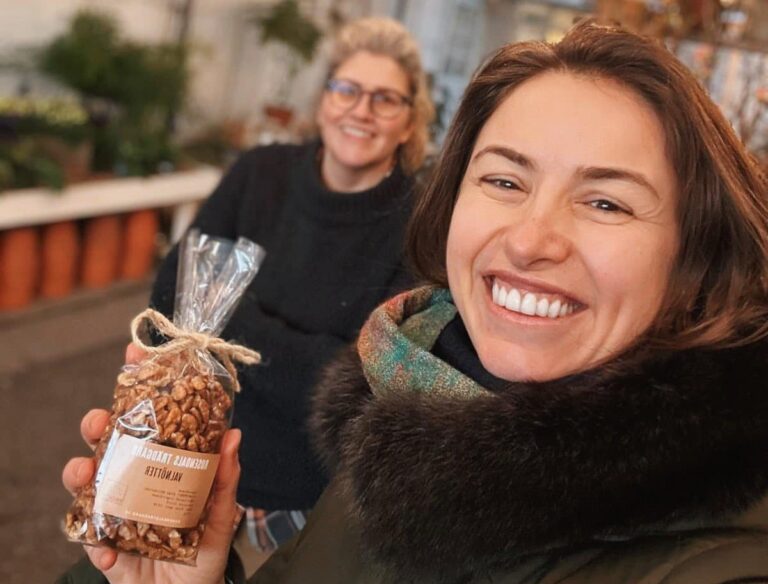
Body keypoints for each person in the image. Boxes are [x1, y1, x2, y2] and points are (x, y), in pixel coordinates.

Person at [60, 18, 768, 583]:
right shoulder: (405, 412)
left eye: (606, 200)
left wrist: (245, 336)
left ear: (699, 251)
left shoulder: (715, 562)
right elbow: (175, 295)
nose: (529, 241)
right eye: (504, 181)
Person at [147, 16, 434, 555]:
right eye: (346, 89)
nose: (360, 110)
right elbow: (167, 300)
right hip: (184, 458)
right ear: (324, 98)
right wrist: (309, 355)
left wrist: (223, 324)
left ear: (409, 121)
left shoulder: (418, 224)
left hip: (308, 506)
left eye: (385, 99)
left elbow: (364, 389)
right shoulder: (259, 174)